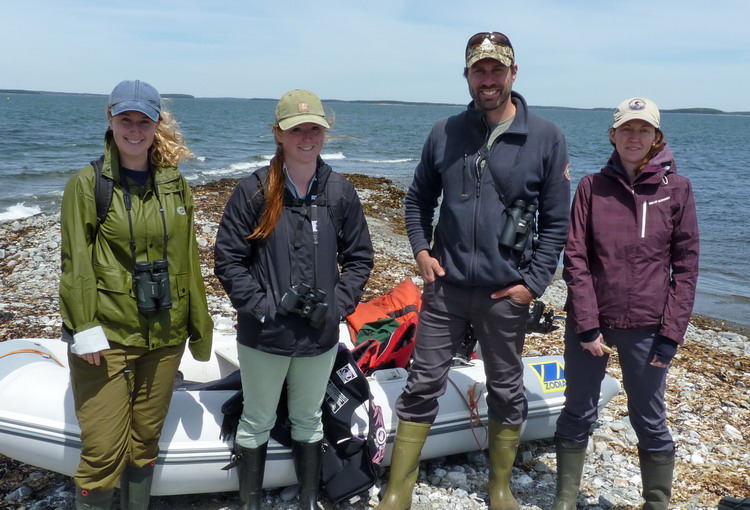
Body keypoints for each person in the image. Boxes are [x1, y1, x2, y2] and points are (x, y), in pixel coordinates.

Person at [376, 32, 571, 510]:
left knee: (506, 388)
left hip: (506, 293)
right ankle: (400, 486)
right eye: (479, 70)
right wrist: (422, 251)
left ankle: (499, 486)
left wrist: (533, 284)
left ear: (513, 74)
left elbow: (557, 220)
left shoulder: (546, 137)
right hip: (446, 289)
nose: (488, 79)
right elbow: (419, 198)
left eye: (496, 70)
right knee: (423, 382)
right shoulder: (444, 131)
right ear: (467, 75)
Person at [214, 89, 374, 510]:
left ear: (325, 134)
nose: (307, 137)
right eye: (296, 130)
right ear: (278, 135)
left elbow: (360, 258)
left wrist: (338, 306)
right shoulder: (254, 191)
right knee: (256, 421)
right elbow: (228, 259)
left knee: (308, 420)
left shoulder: (339, 192)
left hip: (318, 337)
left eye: (314, 129)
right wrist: (264, 307)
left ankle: (307, 502)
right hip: (265, 336)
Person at [59, 80, 213, 510]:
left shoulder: (174, 184)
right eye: (125, 119)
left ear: (155, 124)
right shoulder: (87, 185)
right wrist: (84, 327)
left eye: (143, 121)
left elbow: (188, 259)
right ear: (110, 121)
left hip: (164, 334)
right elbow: (76, 263)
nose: (134, 130)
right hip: (105, 338)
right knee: (103, 451)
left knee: (145, 442)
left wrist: (199, 327)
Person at [553, 97, 699, 510]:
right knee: (577, 409)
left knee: (649, 418)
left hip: (648, 326)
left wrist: (671, 335)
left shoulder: (678, 190)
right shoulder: (591, 187)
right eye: (626, 129)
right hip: (591, 321)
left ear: (656, 137)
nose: (634, 137)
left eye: (643, 130)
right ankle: (564, 498)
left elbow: (686, 268)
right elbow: (575, 257)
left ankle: (656, 502)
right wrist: (586, 324)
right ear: (613, 135)